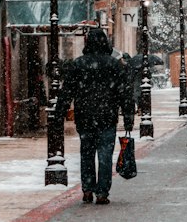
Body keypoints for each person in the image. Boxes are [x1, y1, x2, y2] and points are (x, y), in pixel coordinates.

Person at [55, 28, 135, 205]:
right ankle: (102, 192)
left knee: (87, 153)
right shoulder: (114, 65)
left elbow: (67, 91)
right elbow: (125, 93)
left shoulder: (79, 64)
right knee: (105, 155)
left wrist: (60, 112)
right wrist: (128, 116)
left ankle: (87, 189)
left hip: (85, 117)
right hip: (107, 117)